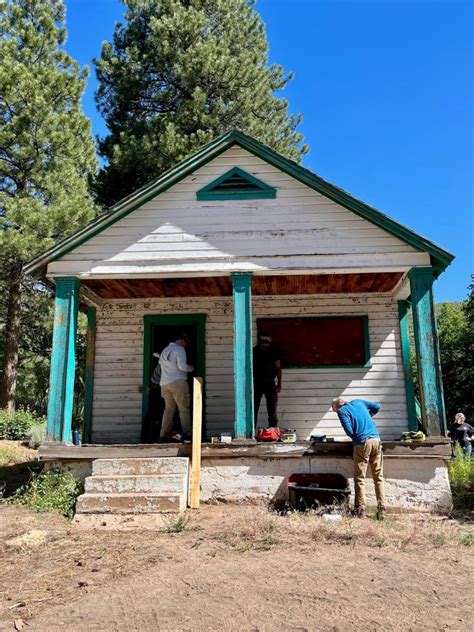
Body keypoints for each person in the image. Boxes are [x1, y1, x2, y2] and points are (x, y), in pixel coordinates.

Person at [331, 397, 386, 519]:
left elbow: (350, 432)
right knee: (378, 477)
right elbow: (377, 407)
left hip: (362, 443)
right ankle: (382, 509)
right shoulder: (359, 402)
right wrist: (368, 417)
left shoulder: (342, 411)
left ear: (337, 407)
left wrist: (359, 432)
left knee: (360, 478)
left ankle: (360, 510)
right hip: (377, 440)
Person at [159, 334, 194, 441]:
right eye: (185, 342)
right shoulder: (179, 350)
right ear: (181, 340)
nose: (185, 345)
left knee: (169, 409)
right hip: (177, 382)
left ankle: (163, 434)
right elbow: (182, 366)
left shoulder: (165, 350)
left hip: (164, 383)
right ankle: (188, 434)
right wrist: (191, 368)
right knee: (183, 408)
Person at [253, 334, 282, 428]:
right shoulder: (254, 351)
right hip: (256, 383)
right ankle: (251, 431)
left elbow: (278, 368)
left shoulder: (274, 352)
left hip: (270, 383)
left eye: (266, 342)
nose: (264, 344)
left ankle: (273, 431)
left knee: (272, 409)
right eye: (262, 342)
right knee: (253, 409)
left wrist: (279, 383)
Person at [141, 352, 164, 443]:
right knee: (156, 415)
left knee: (153, 415)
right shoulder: (164, 366)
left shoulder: (160, 364)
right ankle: (152, 439)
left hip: (155, 390)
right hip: (157, 391)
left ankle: (149, 438)